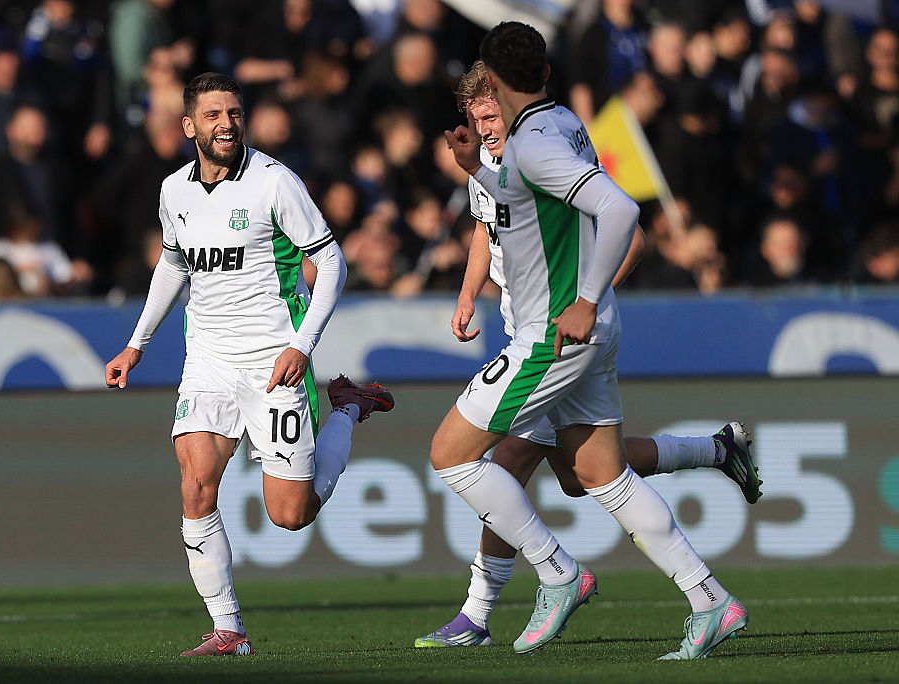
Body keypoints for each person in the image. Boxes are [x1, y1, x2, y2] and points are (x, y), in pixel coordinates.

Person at [415, 59, 761, 649]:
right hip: (542, 332)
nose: (486, 127)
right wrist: (470, 292)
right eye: (476, 118)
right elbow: (485, 227)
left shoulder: (540, 147)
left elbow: (632, 227)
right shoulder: (501, 164)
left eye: (491, 114)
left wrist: (588, 298)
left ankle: (512, 595)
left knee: (476, 461)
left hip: (555, 337)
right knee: (593, 477)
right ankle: (711, 582)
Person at [103, 72, 394, 658]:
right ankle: (228, 630)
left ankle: (344, 410)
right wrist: (137, 343)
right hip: (208, 358)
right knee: (195, 483)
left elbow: (331, 264)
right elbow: (173, 265)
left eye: (234, 113)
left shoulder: (274, 182)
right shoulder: (173, 192)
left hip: (275, 360)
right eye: (213, 115)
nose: (226, 124)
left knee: (290, 515)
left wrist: (302, 346)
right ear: (189, 127)